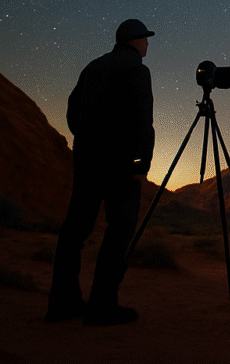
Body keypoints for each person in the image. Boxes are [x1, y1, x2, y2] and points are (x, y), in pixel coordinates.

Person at [46, 19, 156, 326]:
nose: (148, 44)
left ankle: (62, 303)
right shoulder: (137, 70)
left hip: (87, 160)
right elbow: (142, 121)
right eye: (145, 39)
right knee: (119, 231)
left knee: (75, 230)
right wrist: (141, 164)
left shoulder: (93, 67)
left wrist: (85, 138)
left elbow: (72, 109)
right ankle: (102, 306)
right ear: (134, 40)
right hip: (120, 164)